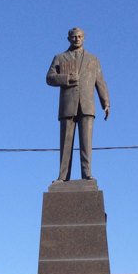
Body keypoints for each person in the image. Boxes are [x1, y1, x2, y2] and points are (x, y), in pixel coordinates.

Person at [46, 27, 110, 182]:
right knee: (66, 144)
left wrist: (105, 102)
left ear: (84, 38)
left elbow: (100, 82)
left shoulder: (93, 59)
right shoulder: (60, 57)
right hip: (68, 106)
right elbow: (49, 78)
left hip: (87, 105)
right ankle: (62, 176)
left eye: (79, 36)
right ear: (68, 38)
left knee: (86, 143)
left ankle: (87, 174)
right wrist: (66, 79)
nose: (77, 39)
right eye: (74, 37)